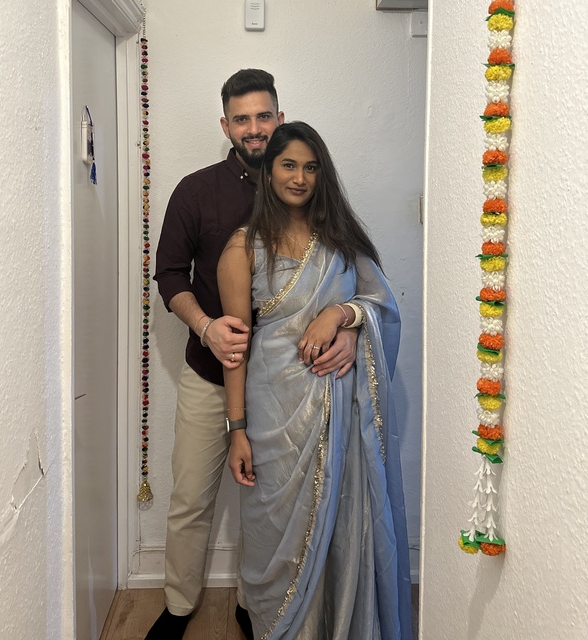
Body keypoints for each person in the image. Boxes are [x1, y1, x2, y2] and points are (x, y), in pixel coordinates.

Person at [148, 71, 358, 640]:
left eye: (264, 116)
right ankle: (178, 607)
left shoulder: (303, 187)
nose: (254, 128)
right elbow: (169, 275)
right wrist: (206, 327)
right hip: (209, 373)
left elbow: (343, 280)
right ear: (226, 126)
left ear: (279, 116)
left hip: (287, 388)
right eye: (241, 119)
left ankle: (256, 602)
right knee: (191, 495)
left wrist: (348, 325)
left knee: (269, 501)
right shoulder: (197, 191)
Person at [217, 121, 413, 639]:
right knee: (272, 533)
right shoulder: (242, 249)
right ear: (268, 171)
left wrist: (344, 317)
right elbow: (234, 351)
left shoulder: (340, 241)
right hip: (272, 412)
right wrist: (237, 430)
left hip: (340, 414)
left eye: (310, 167)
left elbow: (383, 306)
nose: (300, 178)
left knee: (342, 526)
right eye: (288, 165)